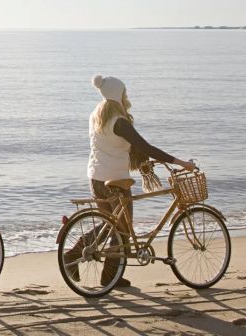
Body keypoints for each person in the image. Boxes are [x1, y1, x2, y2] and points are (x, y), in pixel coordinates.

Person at [65, 75, 195, 287]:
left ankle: (74, 255)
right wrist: (180, 162)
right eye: (124, 93)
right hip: (115, 179)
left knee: (110, 225)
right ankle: (109, 277)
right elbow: (146, 147)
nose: (127, 96)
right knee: (122, 230)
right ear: (119, 94)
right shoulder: (120, 122)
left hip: (95, 177)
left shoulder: (96, 115)